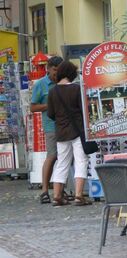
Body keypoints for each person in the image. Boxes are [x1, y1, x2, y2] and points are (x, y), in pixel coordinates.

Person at [47, 61, 91, 206]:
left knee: (62, 163)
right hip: (77, 130)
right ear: (71, 74)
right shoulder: (77, 89)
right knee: (81, 161)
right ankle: (79, 195)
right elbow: (84, 110)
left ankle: (57, 195)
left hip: (61, 132)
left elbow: (51, 114)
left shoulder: (53, 91)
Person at [30, 56, 63, 204]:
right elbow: (33, 107)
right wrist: (50, 105)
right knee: (52, 156)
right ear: (48, 69)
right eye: (55, 70)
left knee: (65, 158)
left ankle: (60, 189)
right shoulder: (41, 85)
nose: (57, 73)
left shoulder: (65, 82)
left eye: (59, 70)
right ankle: (44, 190)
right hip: (51, 126)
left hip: (66, 125)